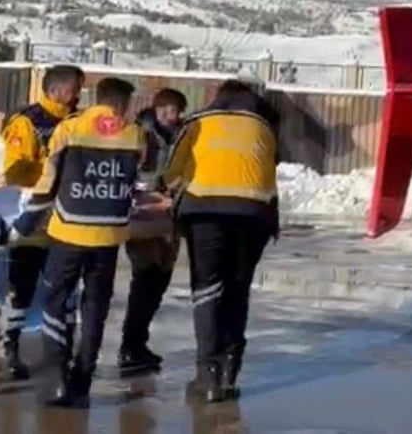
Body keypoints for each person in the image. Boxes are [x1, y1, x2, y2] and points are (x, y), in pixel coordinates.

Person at [28, 77, 167, 408]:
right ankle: (82, 381)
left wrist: (28, 220)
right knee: (95, 309)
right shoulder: (135, 135)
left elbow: (48, 181)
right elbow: (136, 181)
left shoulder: (70, 128)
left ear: (98, 98)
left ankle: (56, 378)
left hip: (69, 231)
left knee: (56, 302)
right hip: (108, 236)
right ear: (122, 104)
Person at [162, 73, 280, 403]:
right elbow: (270, 166)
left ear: (219, 96)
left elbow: (171, 171)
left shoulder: (199, 120)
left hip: (205, 210)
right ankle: (229, 371)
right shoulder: (263, 124)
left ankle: (208, 375)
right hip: (255, 212)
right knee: (237, 289)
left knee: (208, 289)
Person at [0, 64, 85, 380]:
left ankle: (62, 353)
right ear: (56, 90)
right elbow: (15, 171)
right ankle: (8, 345)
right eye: (75, 88)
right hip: (34, 212)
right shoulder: (28, 121)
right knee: (23, 283)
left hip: (70, 215)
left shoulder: (80, 121)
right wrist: (52, 172)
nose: (79, 94)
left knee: (67, 288)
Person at [118, 87, 188, 374]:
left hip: (171, 215)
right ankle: (131, 345)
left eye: (177, 112)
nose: (173, 117)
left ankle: (138, 342)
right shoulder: (140, 134)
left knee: (160, 279)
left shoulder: (183, 134)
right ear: (157, 110)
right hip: (144, 213)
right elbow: (128, 172)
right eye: (168, 111)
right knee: (145, 277)